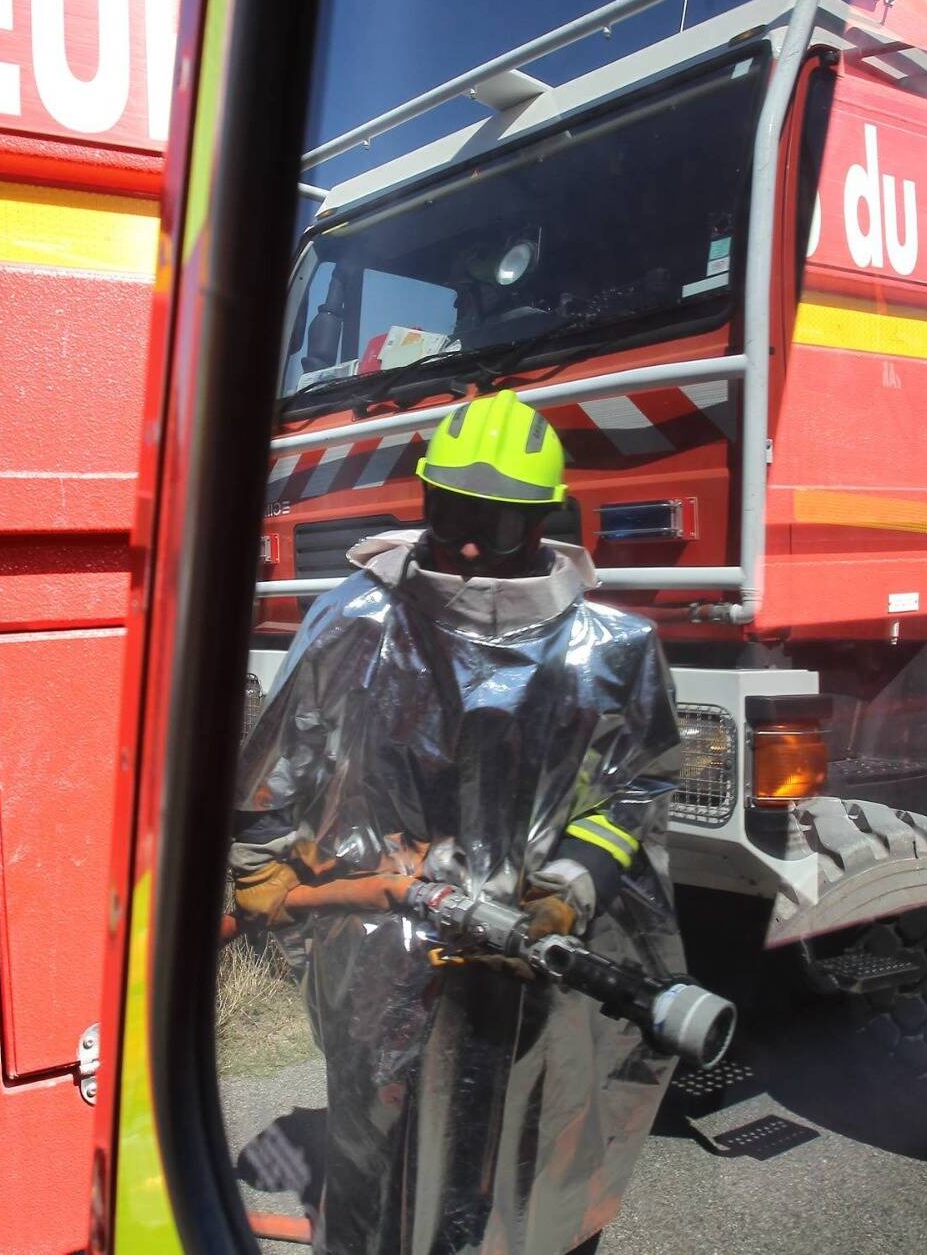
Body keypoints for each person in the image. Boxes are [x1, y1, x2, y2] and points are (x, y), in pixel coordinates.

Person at [231, 390, 684, 1255]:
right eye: (452, 515)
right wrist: (261, 865)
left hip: (537, 952)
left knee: (528, 1140)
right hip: (382, 943)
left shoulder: (609, 646)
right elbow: (280, 755)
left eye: (499, 526)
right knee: (380, 1143)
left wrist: (568, 891)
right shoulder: (361, 618)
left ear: (547, 523)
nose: (471, 545)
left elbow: (638, 788)